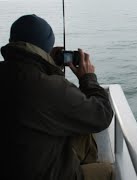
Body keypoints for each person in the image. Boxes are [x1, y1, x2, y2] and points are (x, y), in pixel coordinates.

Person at [0, 14, 115, 180]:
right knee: (107, 170)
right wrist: (87, 78)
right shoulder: (47, 86)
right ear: (46, 47)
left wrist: (48, 66)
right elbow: (101, 115)